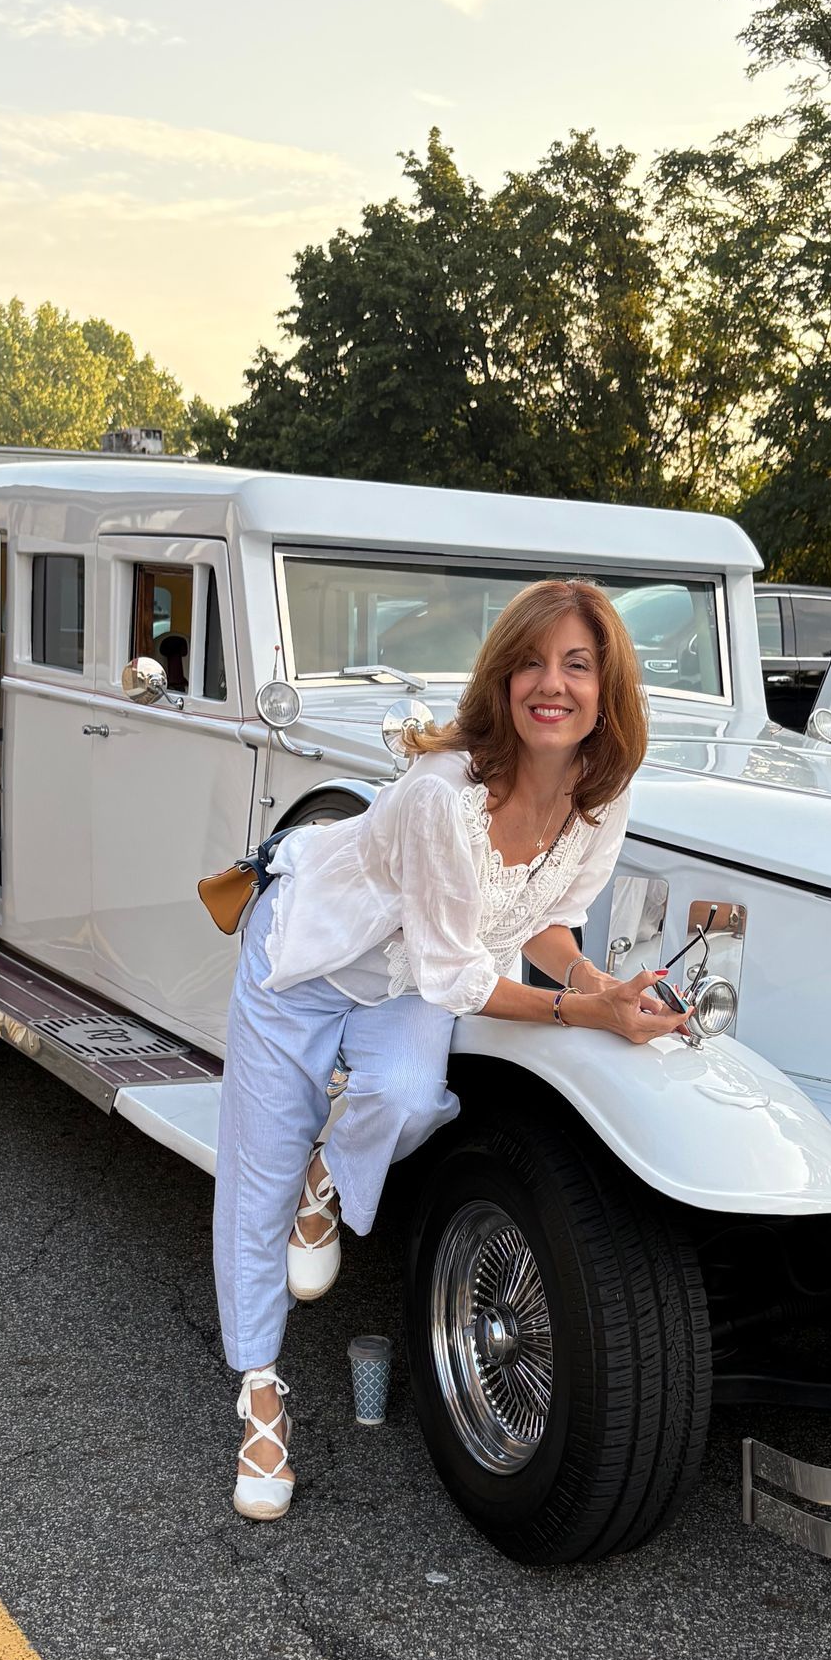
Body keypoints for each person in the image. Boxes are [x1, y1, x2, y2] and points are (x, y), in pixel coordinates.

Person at [213, 575, 687, 1520]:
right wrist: (587, 1016)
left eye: (578, 665)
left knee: (411, 1099)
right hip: (305, 955)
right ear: (503, 681)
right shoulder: (445, 795)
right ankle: (260, 1394)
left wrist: (605, 985)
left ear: (608, 688)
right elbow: (462, 981)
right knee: (255, 1171)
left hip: (410, 976)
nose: (552, 684)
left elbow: (549, 920)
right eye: (531, 663)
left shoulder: (605, 792)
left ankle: (331, 1182)